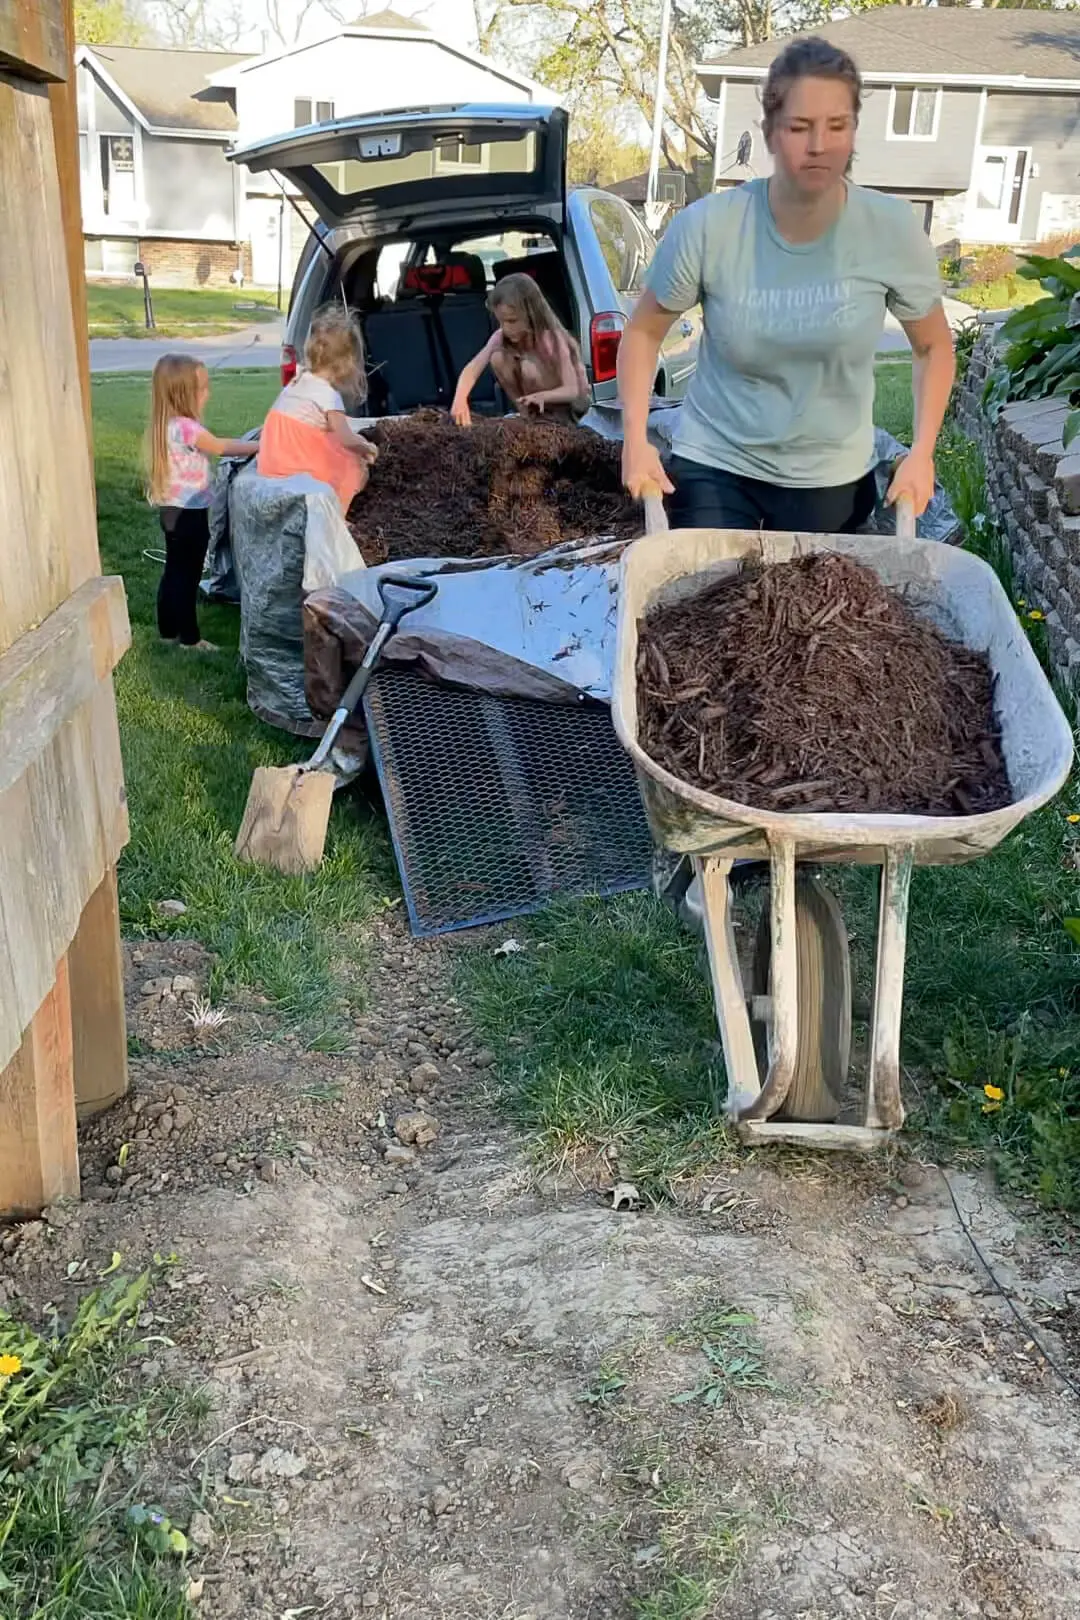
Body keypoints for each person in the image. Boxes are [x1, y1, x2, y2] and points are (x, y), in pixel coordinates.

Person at [618, 36, 955, 532]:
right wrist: (634, 438)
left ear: (854, 131)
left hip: (830, 475)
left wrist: (922, 452)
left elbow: (932, 348)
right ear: (770, 133)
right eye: (800, 127)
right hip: (716, 458)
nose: (818, 145)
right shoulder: (710, 228)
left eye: (836, 126)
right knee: (713, 596)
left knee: (816, 603)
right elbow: (643, 332)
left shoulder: (890, 230)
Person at [147, 354, 256, 652]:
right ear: (185, 394)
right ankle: (190, 639)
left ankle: (168, 632)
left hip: (171, 510)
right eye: (203, 387)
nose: (208, 393)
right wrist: (261, 444)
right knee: (189, 575)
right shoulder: (187, 428)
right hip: (189, 513)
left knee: (173, 571)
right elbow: (221, 447)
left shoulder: (166, 425)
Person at [258, 305, 378, 513]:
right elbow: (346, 438)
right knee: (353, 468)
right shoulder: (328, 396)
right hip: (297, 464)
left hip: (273, 460)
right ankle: (335, 518)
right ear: (348, 363)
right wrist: (366, 447)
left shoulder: (299, 379)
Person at [451, 273, 590, 427]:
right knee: (497, 358)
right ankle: (527, 415)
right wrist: (460, 399)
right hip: (536, 401)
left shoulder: (551, 340)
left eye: (512, 321)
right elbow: (473, 368)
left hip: (570, 407)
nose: (506, 328)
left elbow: (572, 390)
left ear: (531, 314)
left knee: (528, 367)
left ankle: (554, 420)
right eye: (501, 321)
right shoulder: (502, 335)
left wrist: (544, 396)